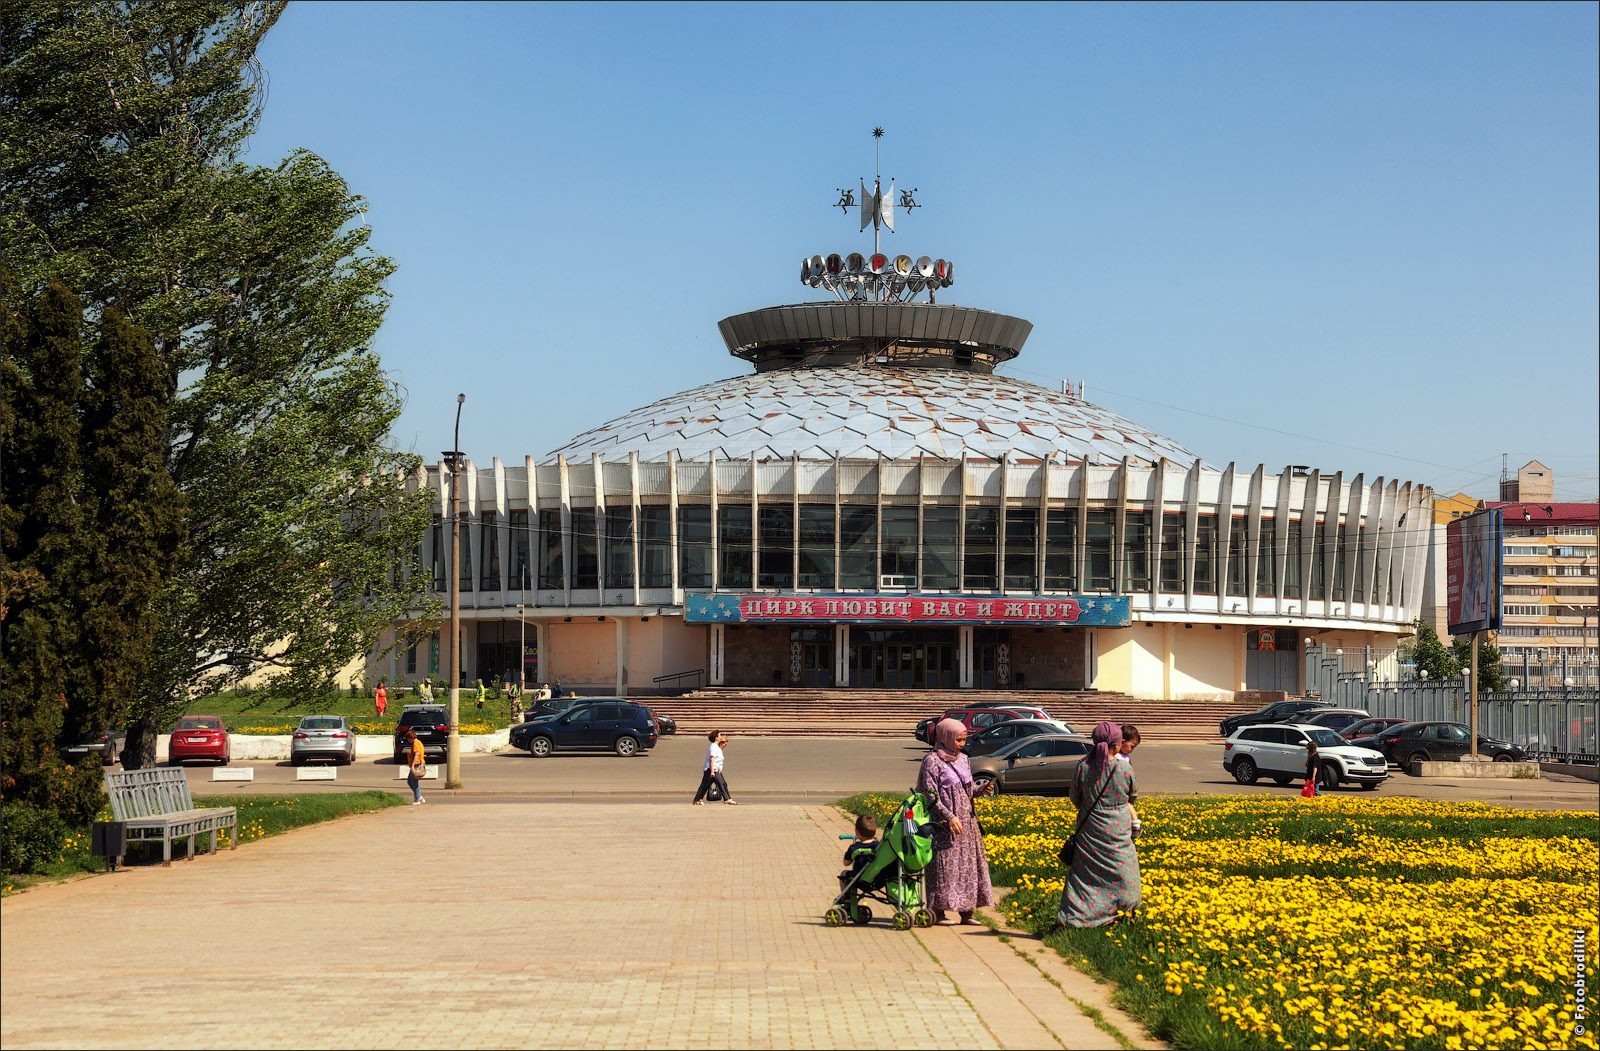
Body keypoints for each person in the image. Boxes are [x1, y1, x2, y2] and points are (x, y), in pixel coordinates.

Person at [1057, 721, 1141, 928]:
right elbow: (1133, 795)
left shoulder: (1082, 766)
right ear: (1116, 744)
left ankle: (1075, 919)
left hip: (1089, 831)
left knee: (1083, 877)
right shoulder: (1123, 768)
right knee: (1124, 874)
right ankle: (1122, 914)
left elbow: (1075, 797)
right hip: (1118, 833)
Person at [917, 719, 995, 925]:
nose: (961, 744)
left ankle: (966, 912)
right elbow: (930, 794)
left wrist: (980, 790)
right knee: (945, 868)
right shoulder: (932, 761)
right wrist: (949, 816)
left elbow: (966, 792)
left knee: (968, 868)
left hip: (967, 825)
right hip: (944, 825)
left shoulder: (964, 760)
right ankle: (939, 911)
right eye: (958, 740)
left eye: (964, 740)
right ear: (946, 737)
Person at [692, 730, 737, 805]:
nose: (721, 736)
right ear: (716, 738)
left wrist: (719, 767)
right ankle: (697, 800)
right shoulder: (713, 747)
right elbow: (712, 759)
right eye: (719, 735)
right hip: (710, 769)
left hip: (715, 769)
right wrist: (712, 771)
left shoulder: (716, 747)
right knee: (706, 784)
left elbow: (718, 759)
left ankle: (727, 799)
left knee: (720, 783)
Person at [838, 813, 880, 892]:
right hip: (876, 880)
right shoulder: (879, 846)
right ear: (875, 831)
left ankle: (846, 897)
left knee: (844, 873)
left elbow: (846, 863)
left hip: (858, 879)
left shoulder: (854, 847)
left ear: (856, 832)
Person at [1117, 725, 1142, 838]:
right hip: (1118, 787)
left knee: (1127, 804)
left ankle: (1135, 823)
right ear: (1122, 741)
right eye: (1132, 746)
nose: (1132, 750)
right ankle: (1135, 823)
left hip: (1124, 786)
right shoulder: (1116, 756)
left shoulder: (1124, 756)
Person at [403, 728, 426, 806]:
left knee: (414, 783)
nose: (408, 741)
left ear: (411, 738)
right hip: (418, 764)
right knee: (410, 781)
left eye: (408, 739)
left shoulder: (416, 744)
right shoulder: (419, 742)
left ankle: (417, 799)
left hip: (416, 765)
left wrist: (412, 766)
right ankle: (419, 797)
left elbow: (417, 755)